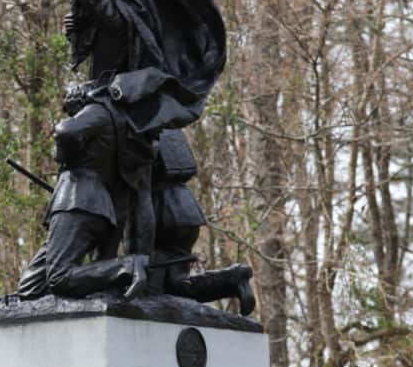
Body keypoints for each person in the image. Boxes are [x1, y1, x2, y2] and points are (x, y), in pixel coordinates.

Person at [17, 83, 153, 301]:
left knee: (59, 277)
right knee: (29, 287)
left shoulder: (98, 111)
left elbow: (65, 132)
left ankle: (127, 267)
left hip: (77, 201)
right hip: (96, 207)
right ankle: (116, 275)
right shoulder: (118, 120)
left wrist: (62, 154)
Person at [148, 129, 256, 316]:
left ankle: (233, 278)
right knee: (177, 285)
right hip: (185, 210)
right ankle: (232, 279)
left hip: (163, 214)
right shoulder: (171, 129)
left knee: (151, 291)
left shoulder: (144, 129)